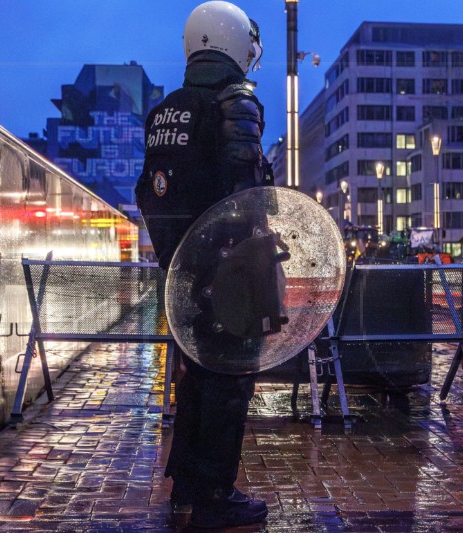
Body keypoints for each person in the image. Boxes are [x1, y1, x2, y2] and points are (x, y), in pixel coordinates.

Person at [134, 1, 270, 528]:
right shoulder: (236, 104)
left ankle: (185, 484)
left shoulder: (165, 110)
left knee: (192, 376)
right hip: (230, 270)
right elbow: (247, 194)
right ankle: (216, 495)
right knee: (229, 382)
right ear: (234, 44)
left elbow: (151, 194)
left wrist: (177, 259)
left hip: (181, 272)